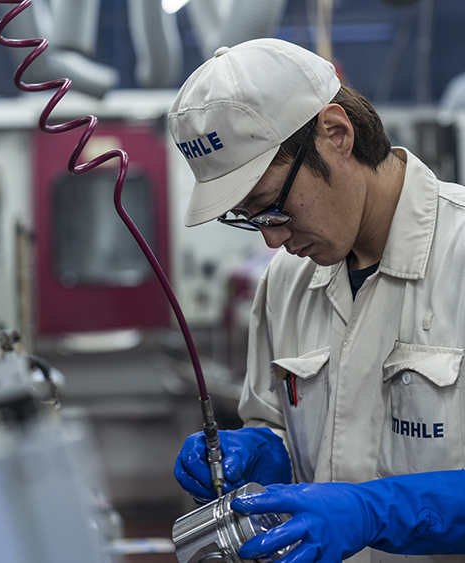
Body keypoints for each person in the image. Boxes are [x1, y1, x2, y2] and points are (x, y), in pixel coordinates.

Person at [168, 38, 465, 563]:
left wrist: (380, 511)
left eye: (271, 206)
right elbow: (289, 430)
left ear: (336, 134)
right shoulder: (285, 282)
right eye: (248, 219)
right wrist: (263, 452)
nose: (272, 239)